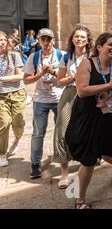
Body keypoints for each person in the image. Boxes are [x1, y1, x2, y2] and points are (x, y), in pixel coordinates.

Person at [65, 32, 112, 209]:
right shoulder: (87, 63)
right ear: (99, 47)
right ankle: (80, 201)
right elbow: (82, 90)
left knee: (108, 153)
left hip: (110, 115)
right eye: (110, 44)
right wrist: (109, 84)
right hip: (89, 117)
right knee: (89, 159)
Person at [53, 25, 93, 189]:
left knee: (88, 129)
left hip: (87, 95)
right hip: (69, 94)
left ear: (88, 40)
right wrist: (73, 78)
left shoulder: (92, 56)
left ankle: (90, 158)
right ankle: (64, 173)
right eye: (77, 36)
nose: (79, 39)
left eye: (83, 37)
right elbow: (59, 81)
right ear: (72, 39)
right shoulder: (66, 57)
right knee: (61, 130)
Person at [23, 28, 64, 179]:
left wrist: (53, 72)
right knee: (38, 133)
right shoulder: (33, 57)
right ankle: (35, 164)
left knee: (62, 132)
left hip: (59, 98)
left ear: (53, 40)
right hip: (40, 99)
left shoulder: (62, 55)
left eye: (48, 39)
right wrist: (40, 74)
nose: (46, 43)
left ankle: (63, 160)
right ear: (38, 41)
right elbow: (26, 79)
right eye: (43, 40)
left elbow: (67, 77)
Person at [0, 31, 26, 167]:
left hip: (17, 93)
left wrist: (1, 78)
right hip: (0, 96)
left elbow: (20, 76)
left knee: (18, 123)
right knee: (3, 123)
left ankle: (17, 138)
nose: (3, 42)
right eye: (0, 40)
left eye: (4, 39)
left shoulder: (14, 55)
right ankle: (2, 154)